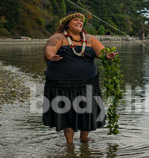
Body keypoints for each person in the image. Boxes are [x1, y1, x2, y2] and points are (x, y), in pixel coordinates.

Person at [43, 12, 117, 144]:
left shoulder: (90, 39)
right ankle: (69, 144)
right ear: (67, 24)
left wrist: (107, 56)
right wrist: (52, 56)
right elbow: (50, 48)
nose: (79, 22)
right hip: (62, 85)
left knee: (87, 112)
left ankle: (84, 139)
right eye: (75, 20)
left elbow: (101, 52)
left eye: (81, 21)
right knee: (67, 113)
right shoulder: (59, 37)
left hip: (88, 83)